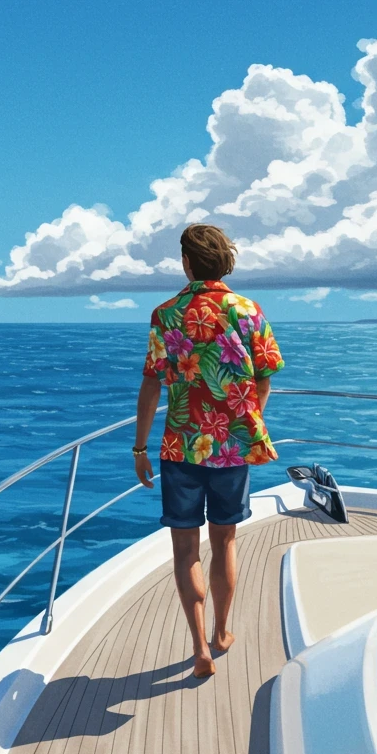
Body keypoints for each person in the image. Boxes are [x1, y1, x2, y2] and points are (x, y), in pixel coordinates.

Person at [132, 224, 284, 678]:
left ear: (187, 262)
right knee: (225, 542)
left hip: (180, 446)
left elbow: (151, 383)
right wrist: (245, 421)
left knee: (185, 552)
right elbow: (264, 378)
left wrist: (140, 446)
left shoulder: (165, 314)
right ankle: (220, 633)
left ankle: (198, 646)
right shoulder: (248, 310)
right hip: (233, 447)